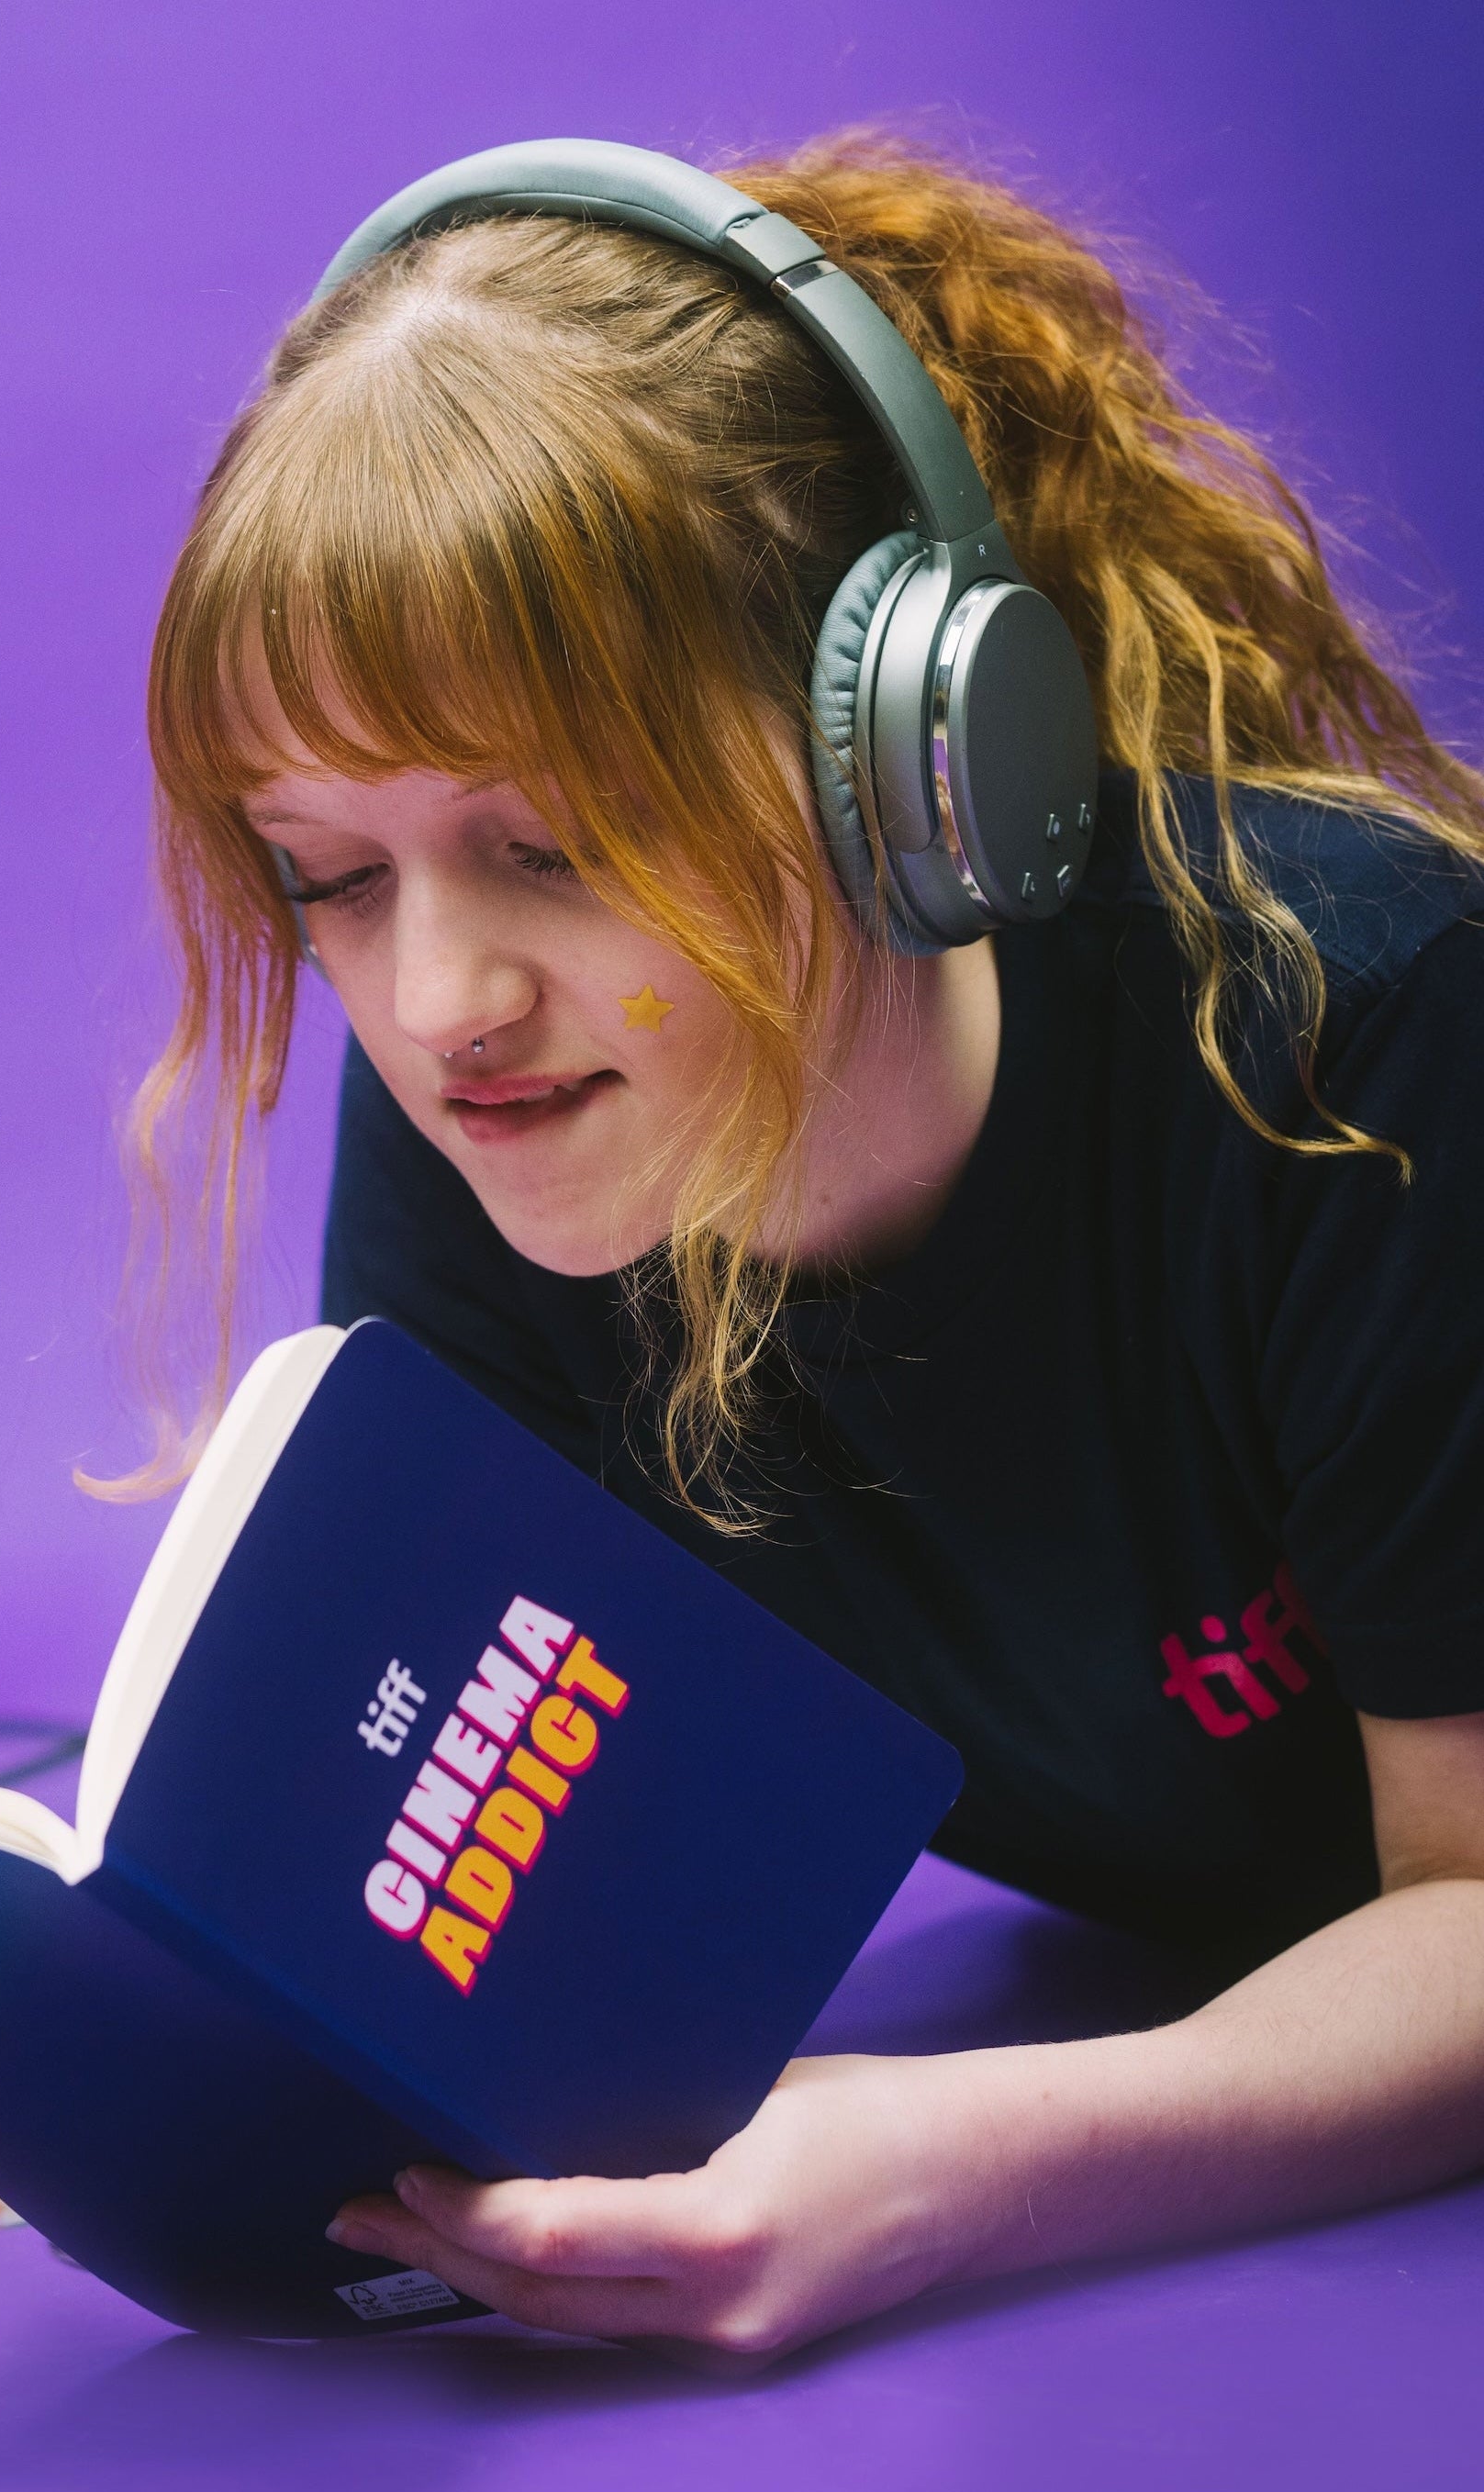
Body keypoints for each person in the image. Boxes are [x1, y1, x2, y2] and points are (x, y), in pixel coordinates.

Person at [117, 133, 1484, 2362]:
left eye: (546, 841)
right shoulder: (501, 1104)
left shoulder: (1353, 1032)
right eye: (327, 876)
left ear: (910, 766)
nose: (437, 1000)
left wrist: (944, 2167)